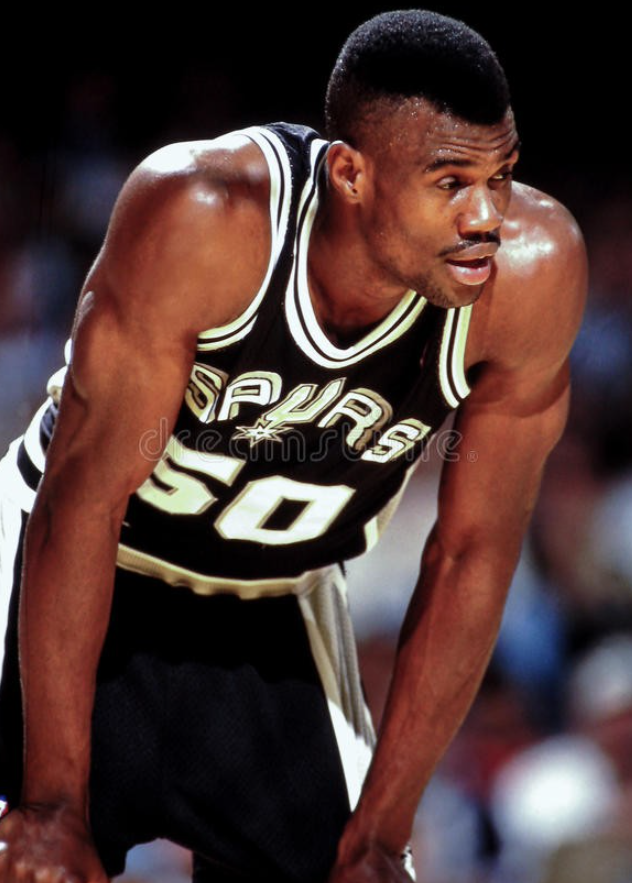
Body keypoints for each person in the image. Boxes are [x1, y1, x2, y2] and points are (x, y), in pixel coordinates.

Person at [0, 9, 586, 883]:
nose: (486, 215)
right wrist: (50, 803)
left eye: (501, 177)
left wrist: (381, 835)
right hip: (79, 564)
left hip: (277, 603)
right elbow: (81, 501)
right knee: (31, 861)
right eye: (451, 181)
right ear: (349, 173)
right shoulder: (206, 217)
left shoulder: (532, 275)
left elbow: (473, 554)